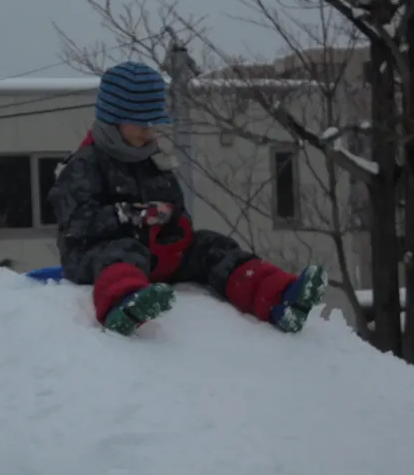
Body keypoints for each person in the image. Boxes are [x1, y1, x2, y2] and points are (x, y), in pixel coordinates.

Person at [47, 60, 328, 336]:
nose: (148, 131)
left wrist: (173, 224)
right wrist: (128, 215)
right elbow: (76, 225)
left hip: (154, 252)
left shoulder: (154, 161)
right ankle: (123, 305)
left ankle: (280, 298)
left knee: (212, 246)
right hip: (94, 257)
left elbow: (176, 208)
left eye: (153, 123)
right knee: (122, 251)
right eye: (139, 124)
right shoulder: (84, 164)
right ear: (113, 119)